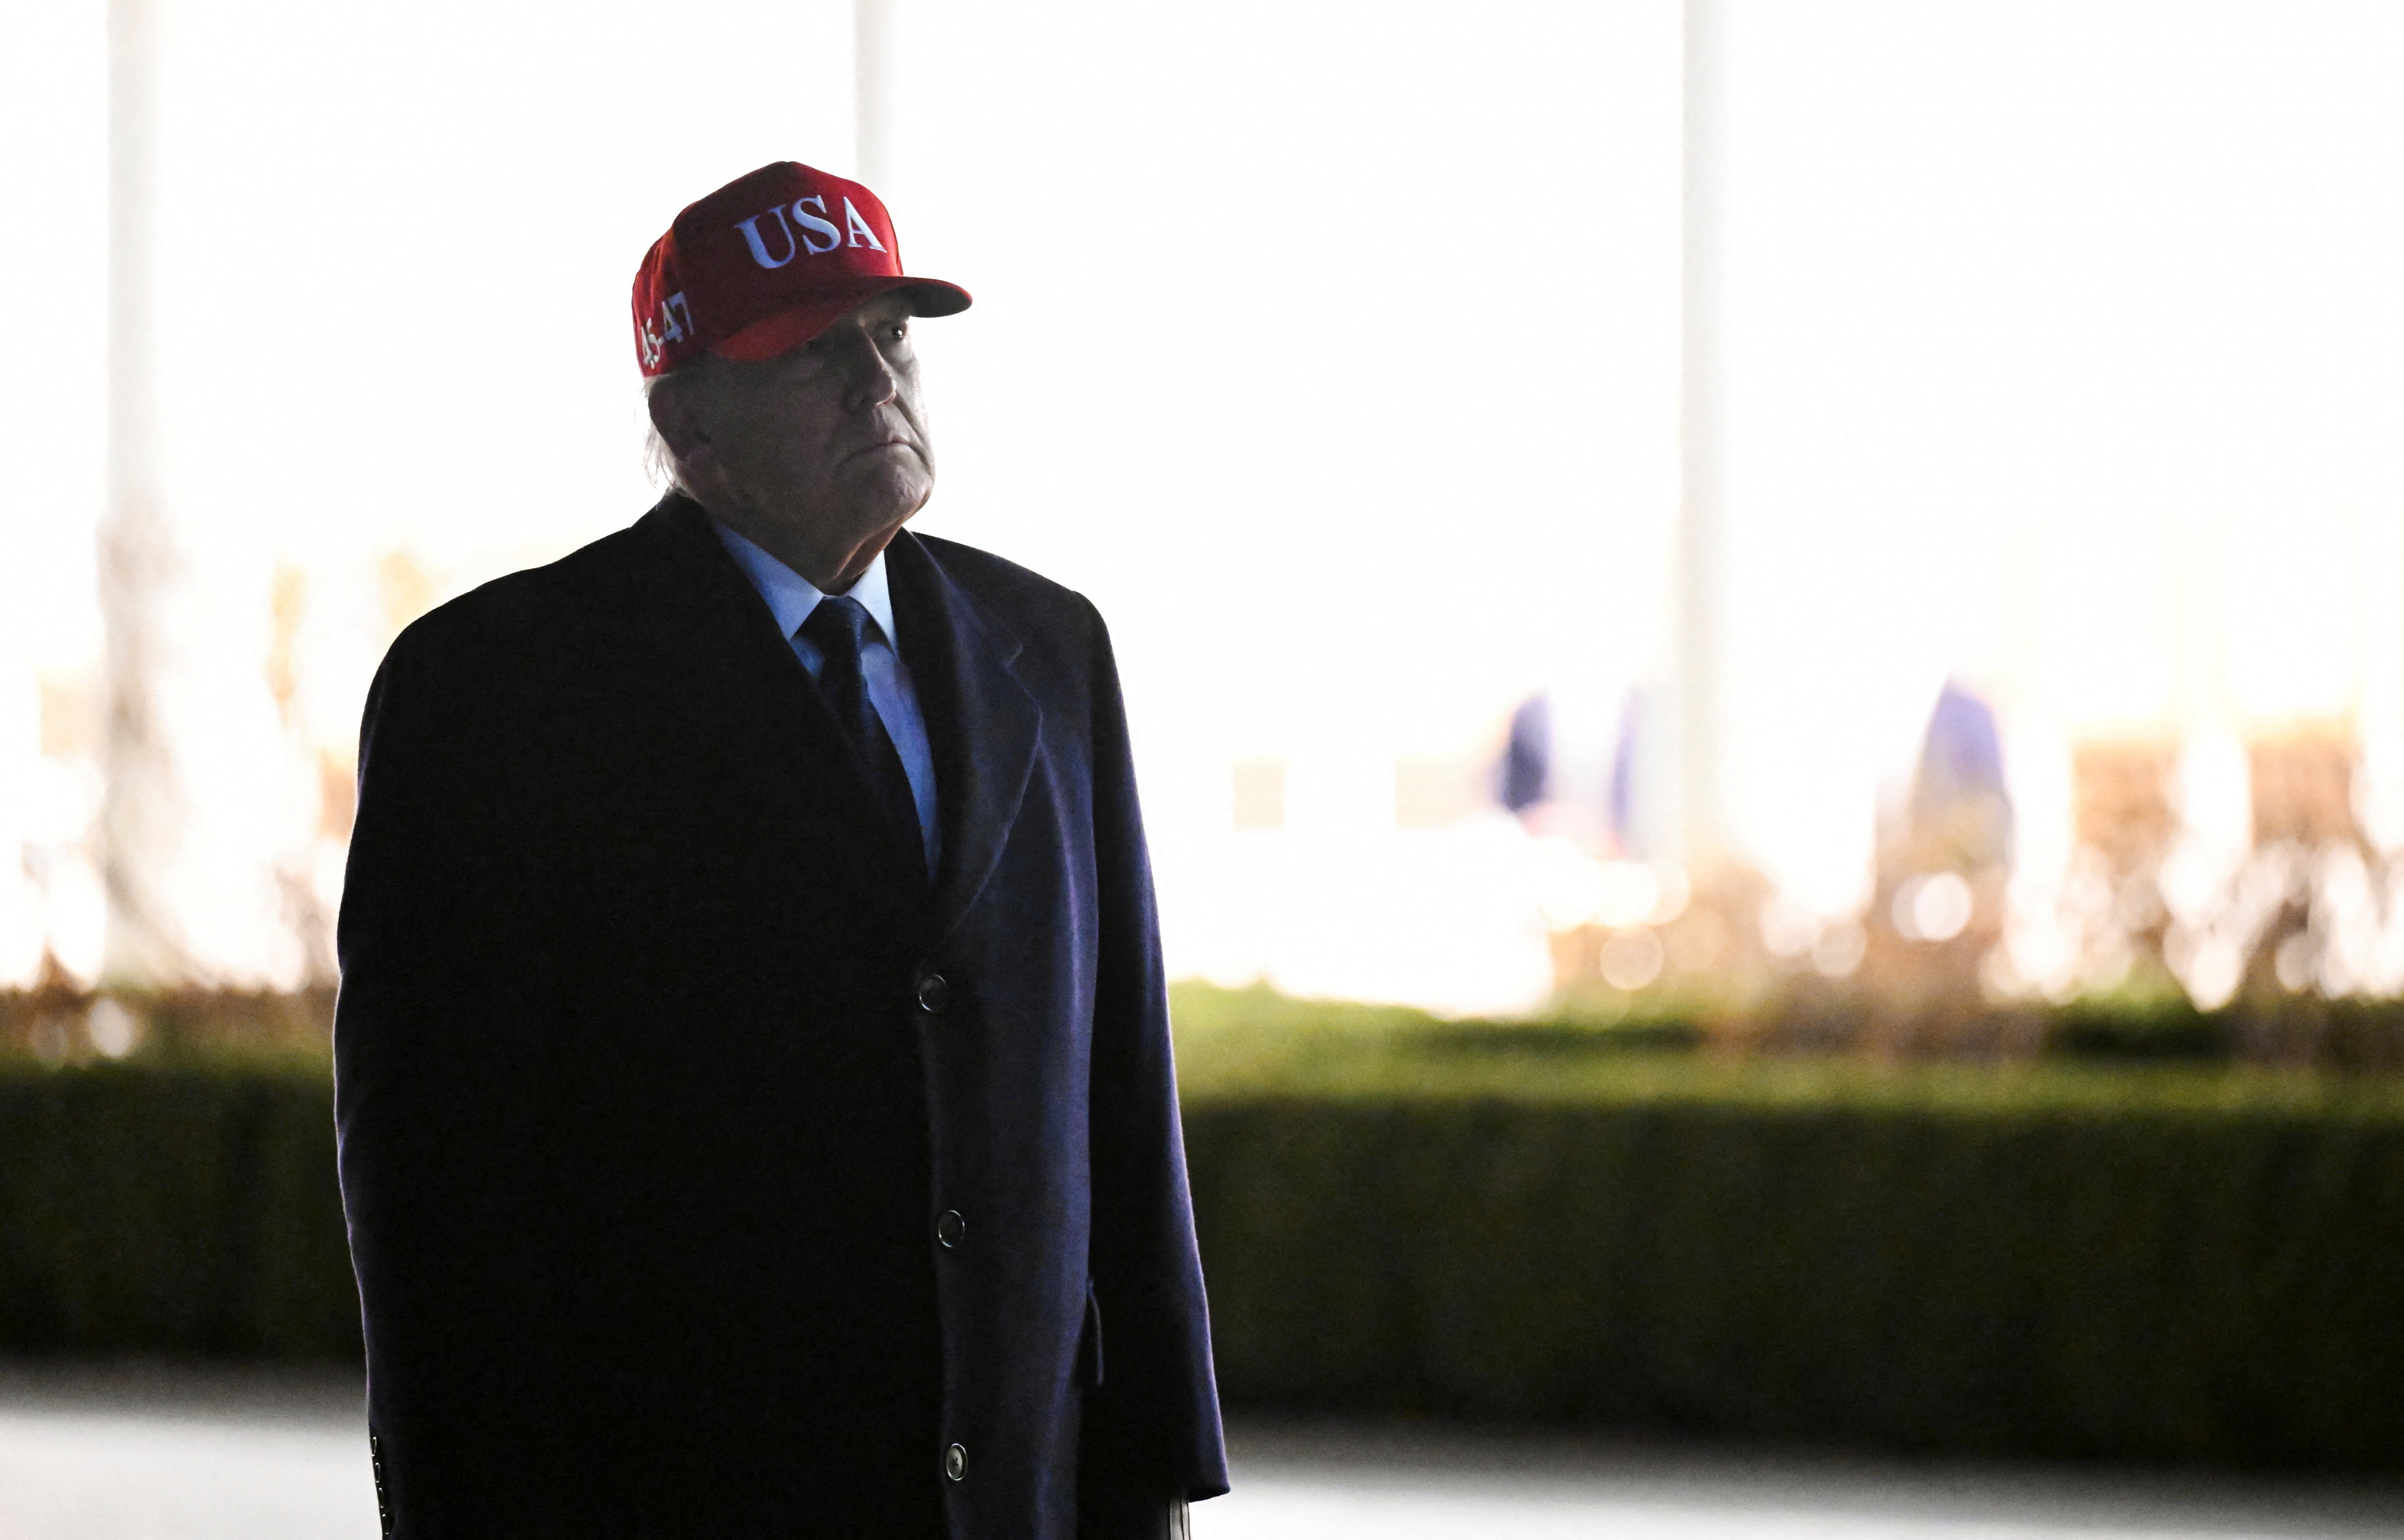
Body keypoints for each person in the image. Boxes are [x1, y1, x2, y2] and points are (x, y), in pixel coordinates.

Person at [333, 160, 1225, 1540]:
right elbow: (436, 1198)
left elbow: (1118, 1094)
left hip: (1023, 1492)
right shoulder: (499, 694)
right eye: (813, 353)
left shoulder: (1049, 651)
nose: (876, 382)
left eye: (891, 337)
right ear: (691, 422)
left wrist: (1158, 1465)